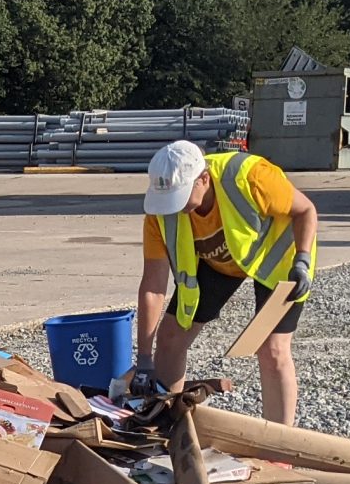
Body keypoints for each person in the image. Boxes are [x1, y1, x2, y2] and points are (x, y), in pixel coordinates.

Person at [133, 138, 318, 424]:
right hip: (219, 263)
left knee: (272, 349)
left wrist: (302, 261)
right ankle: (168, 426)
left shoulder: (251, 176)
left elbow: (305, 211)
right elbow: (153, 287)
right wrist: (144, 359)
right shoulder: (160, 214)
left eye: (180, 197)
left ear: (203, 179)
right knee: (169, 338)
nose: (174, 208)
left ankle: (280, 449)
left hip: (278, 261)